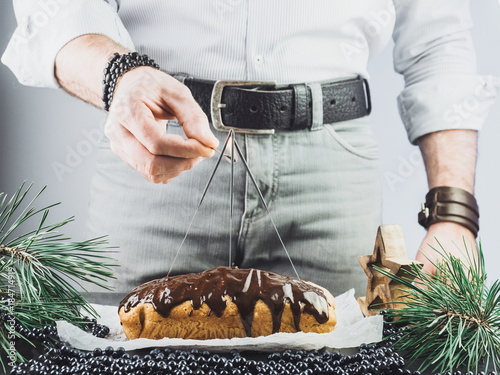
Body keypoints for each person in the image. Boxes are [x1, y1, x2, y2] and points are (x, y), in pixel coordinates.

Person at [2, 1, 496, 297]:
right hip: (160, 154)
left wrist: (453, 214)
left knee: (342, 352)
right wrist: (117, 78)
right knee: (128, 348)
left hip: (332, 180)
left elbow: (438, 36)